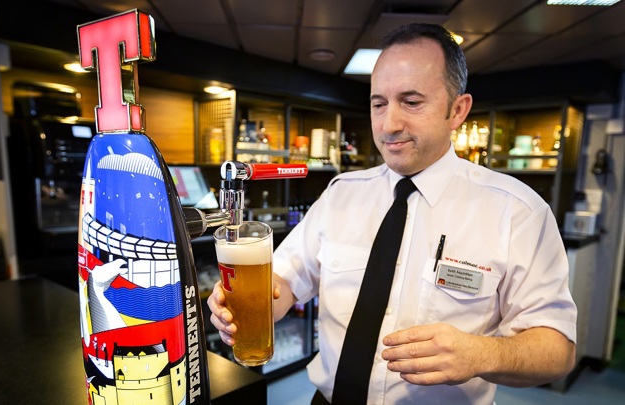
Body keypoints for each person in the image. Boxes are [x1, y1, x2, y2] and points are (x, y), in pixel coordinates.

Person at [208, 23, 577, 404]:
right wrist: (246, 306)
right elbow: (284, 281)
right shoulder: (341, 194)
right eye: (379, 103)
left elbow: (557, 349)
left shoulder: (518, 211)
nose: (389, 125)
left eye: (412, 102)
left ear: (457, 110)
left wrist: (480, 354)